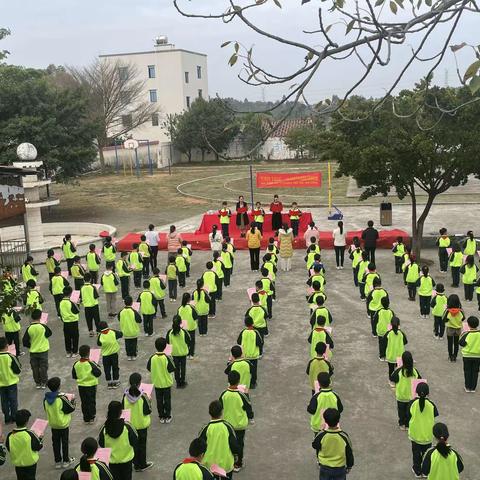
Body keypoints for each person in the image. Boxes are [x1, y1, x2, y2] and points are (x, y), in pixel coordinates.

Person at [219, 371, 254, 472]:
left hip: (228, 424)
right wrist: (251, 417)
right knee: (239, 443)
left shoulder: (224, 394)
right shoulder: (242, 395)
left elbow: (220, 407)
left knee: (229, 443)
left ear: (228, 381)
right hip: (239, 424)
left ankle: (231, 459)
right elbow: (248, 406)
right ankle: (238, 464)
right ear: (239, 381)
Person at [198, 400, 239, 479]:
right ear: (222, 412)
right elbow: (234, 446)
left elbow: (199, 446)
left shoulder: (205, 429)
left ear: (209, 412)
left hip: (209, 467)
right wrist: (236, 457)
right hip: (226, 465)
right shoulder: (227, 427)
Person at [122, 373, 154, 472]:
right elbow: (148, 410)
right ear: (140, 383)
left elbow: (123, 409)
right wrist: (150, 400)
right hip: (142, 425)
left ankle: (135, 464)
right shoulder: (143, 396)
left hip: (131, 425)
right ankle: (142, 464)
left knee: (134, 445)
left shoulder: (125, 395)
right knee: (142, 445)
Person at [98, 401, 138, 480]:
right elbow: (135, 440)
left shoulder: (104, 428)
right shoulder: (127, 427)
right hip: (127, 460)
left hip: (112, 462)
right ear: (120, 412)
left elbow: (101, 443)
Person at [407, 382, 439, 478]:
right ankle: (425, 472)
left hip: (415, 435)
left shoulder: (412, 403)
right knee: (426, 455)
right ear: (428, 393)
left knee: (416, 454)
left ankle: (417, 471)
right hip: (427, 435)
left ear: (416, 392)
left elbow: (408, 415)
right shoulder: (431, 404)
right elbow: (435, 415)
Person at [312, 408, 354, 480]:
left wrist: (321, 430)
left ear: (325, 421)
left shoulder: (321, 435)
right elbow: (349, 452)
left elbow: (314, 445)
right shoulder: (343, 436)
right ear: (338, 420)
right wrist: (349, 466)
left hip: (324, 467)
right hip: (340, 468)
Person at [43, 376, 76, 469]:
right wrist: (73, 400)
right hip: (63, 424)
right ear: (59, 386)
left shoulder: (46, 399)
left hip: (53, 424)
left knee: (55, 442)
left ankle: (57, 461)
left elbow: (46, 409)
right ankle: (66, 460)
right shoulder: (62, 398)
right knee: (65, 442)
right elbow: (71, 408)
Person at [5, 409, 43, 480]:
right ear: (26, 422)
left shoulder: (11, 435)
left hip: (18, 464)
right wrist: (40, 438)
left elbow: (9, 447)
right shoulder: (30, 434)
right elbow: (38, 446)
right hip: (30, 463)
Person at [147, 337, 176, 423]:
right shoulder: (166, 358)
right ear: (165, 347)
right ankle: (168, 416)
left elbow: (149, 368)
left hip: (157, 383)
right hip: (166, 383)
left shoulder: (152, 357)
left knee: (159, 400)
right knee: (167, 400)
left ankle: (161, 416)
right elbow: (172, 368)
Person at [389, 351, 421, 430]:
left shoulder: (399, 371)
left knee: (401, 411)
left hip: (401, 396)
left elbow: (392, 379)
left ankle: (401, 424)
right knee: (409, 411)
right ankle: (407, 425)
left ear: (402, 360)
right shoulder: (414, 371)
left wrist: (393, 388)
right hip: (411, 396)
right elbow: (420, 381)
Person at [72, 344, 102, 424]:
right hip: (91, 385)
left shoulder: (76, 364)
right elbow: (98, 373)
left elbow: (74, 376)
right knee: (91, 401)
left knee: (84, 402)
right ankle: (92, 417)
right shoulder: (91, 363)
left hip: (81, 386)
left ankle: (86, 418)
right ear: (88, 353)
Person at [22, 309, 52, 389]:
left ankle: (37, 383)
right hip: (43, 350)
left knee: (35, 368)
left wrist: (31, 345)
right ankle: (44, 382)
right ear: (40, 317)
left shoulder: (29, 328)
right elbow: (49, 333)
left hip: (33, 351)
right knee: (43, 367)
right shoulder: (43, 326)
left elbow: (24, 341)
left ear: (32, 317)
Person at [237, 317, 263, 389]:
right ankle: (253, 383)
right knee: (254, 370)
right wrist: (260, 353)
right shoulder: (256, 332)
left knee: (246, 369)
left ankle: (244, 382)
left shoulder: (243, 332)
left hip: (245, 355)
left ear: (245, 324)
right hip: (254, 356)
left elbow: (238, 341)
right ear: (253, 323)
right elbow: (260, 343)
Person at [0, 336, 21, 424]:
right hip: (11, 382)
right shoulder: (11, 356)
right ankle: (14, 417)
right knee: (13, 400)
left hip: (1, 384)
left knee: (4, 401)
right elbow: (18, 369)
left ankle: (7, 418)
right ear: (7, 346)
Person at [166, 316, 191, 388]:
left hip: (174, 354)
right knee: (183, 368)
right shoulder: (184, 332)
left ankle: (177, 382)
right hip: (183, 353)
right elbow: (189, 341)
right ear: (181, 322)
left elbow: (167, 342)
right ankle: (182, 382)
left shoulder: (169, 332)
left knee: (176, 368)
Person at [97, 321, 122, 389]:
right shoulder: (112, 332)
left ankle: (109, 383)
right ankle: (116, 381)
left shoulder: (100, 335)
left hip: (105, 356)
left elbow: (98, 344)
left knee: (107, 369)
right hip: (114, 354)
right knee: (115, 367)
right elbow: (120, 334)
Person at [458, 315, 480, 392]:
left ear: (468, 324)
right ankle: (473, 388)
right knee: (475, 372)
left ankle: (467, 387)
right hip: (477, 356)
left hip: (467, 355)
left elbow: (461, 343)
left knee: (467, 371)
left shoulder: (466, 333)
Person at [442, 294, 465, 362]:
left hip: (450, 329)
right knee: (456, 343)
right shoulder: (460, 311)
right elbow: (463, 318)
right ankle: (455, 356)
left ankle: (450, 356)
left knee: (450, 343)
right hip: (458, 329)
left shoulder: (447, 311)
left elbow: (444, 319)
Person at [59, 286, 80, 357]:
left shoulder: (61, 302)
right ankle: (74, 352)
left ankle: (68, 352)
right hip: (73, 322)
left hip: (66, 322)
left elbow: (60, 313)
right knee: (75, 337)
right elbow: (77, 311)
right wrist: (77, 303)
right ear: (70, 293)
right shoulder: (71, 302)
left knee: (67, 337)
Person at [177, 293, 198, 358]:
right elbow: (196, 316)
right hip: (191, 326)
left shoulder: (180, 308)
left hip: (183, 327)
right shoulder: (191, 307)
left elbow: (177, 317)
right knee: (192, 341)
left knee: (185, 340)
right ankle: (191, 354)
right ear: (189, 299)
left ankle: (186, 352)